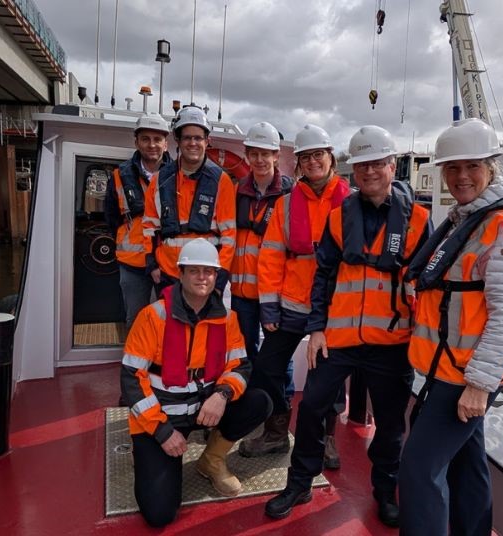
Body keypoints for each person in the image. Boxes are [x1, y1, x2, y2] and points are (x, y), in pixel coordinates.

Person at [265, 126, 431, 527]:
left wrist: (421, 341)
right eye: (362, 165)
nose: (369, 171)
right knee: (311, 408)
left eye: (377, 163)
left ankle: (384, 491)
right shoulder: (339, 218)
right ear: (353, 170)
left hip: (391, 342)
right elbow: (323, 276)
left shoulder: (418, 220)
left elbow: (426, 286)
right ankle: (300, 481)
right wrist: (317, 328)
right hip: (338, 338)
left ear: (392, 165)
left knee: (390, 424)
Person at [398, 118, 503, 535]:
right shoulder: (466, 221)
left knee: (419, 470)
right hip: (448, 369)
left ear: (491, 168)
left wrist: (479, 385)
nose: (461, 176)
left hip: (466, 375)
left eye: (472, 166)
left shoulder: (502, 231)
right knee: (466, 461)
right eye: (453, 168)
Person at [120, 238, 272, 528]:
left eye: (209, 271)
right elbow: (131, 379)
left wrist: (222, 394)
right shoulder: (153, 316)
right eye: (194, 271)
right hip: (163, 416)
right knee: (159, 514)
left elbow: (240, 366)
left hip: (205, 409)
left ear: (216, 276)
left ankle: (211, 459)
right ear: (180, 274)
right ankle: (148, 453)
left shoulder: (227, 319)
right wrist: (162, 432)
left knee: (259, 402)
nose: (202, 277)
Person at [240, 124, 351, 463]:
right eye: (306, 157)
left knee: (329, 376)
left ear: (330, 157)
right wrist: (269, 307)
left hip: (332, 308)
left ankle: (325, 439)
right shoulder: (287, 204)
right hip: (291, 304)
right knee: (267, 368)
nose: (313, 162)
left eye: (319, 154)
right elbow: (271, 255)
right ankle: (276, 433)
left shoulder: (351, 202)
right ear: (298, 163)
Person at [142, 105, 237, 295]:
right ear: (177, 140)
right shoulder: (160, 180)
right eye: (187, 137)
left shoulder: (221, 181)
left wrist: (220, 279)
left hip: (205, 278)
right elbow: (149, 228)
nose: (192, 143)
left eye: (198, 138)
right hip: (168, 273)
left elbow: (229, 235)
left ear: (207, 141)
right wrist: (152, 265)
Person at [230, 122, 294, 363]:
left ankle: (282, 391)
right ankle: (246, 386)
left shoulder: (290, 194)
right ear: (247, 155)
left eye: (265, 154)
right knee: (243, 352)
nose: (259, 160)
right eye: (254, 154)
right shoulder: (237, 191)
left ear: (276, 156)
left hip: (276, 293)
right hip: (242, 293)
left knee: (279, 356)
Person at [104, 113, 173, 329]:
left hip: (167, 262)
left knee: (170, 320)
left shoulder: (178, 175)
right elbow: (111, 217)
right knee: (135, 320)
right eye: (145, 139)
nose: (152, 145)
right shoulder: (119, 175)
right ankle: (135, 354)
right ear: (136, 142)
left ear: (166, 144)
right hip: (132, 263)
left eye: (157, 139)